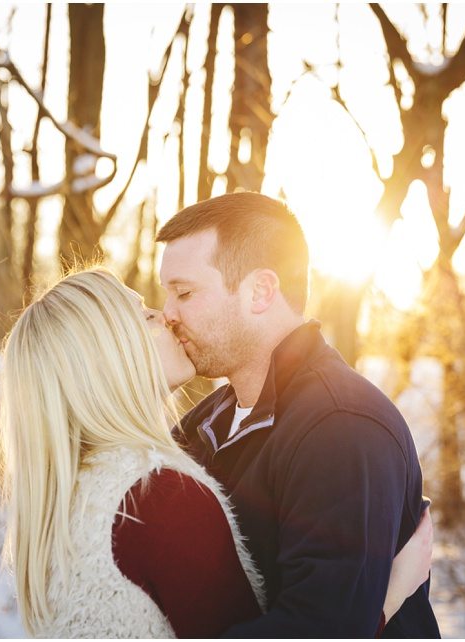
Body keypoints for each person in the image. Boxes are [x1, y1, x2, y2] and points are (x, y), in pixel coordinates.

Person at [0, 267, 434, 638]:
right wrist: (387, 600)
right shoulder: (156, 497)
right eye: (145, 316)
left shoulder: (69, 490)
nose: (167, 317)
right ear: (108, 357)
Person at [156, 192, 441, 638]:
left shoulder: (341, 427)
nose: (168, 315)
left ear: (261, 291)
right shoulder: (205, 423)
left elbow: (319, 630)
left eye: (185, 293)